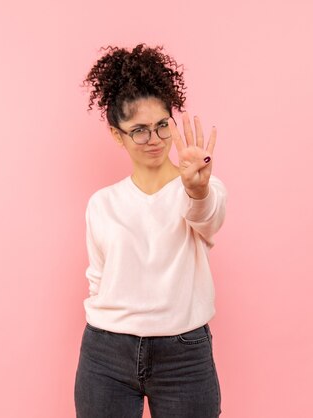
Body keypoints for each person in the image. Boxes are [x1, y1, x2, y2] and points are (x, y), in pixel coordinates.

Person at [74, 44, 227, 418]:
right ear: (117, 135)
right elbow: (98, 279)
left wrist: (197, 188)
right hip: (106, 354)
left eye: (162, 125)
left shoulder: (200, 188)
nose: (155, 139)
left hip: (184, 355)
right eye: (139, 131)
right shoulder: (102, 203)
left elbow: (208, 219)